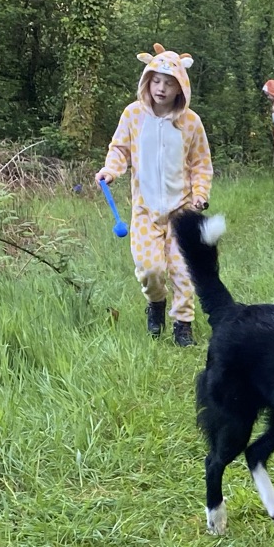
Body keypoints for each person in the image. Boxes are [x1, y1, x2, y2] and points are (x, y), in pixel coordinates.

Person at [96, 46, 214, 345]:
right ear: (147, 81)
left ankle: (183, 324)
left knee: (183, 270)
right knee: (150, 270)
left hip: (182, 211)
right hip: (145, 211)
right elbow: (119, 149)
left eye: (170, 82)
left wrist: (200, 195)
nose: (161, 88)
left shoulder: (191, 123)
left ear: (181, 87)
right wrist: (111, 170)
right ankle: (156, 303)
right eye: (156, 80)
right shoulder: (133, 115)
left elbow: (201, 163)